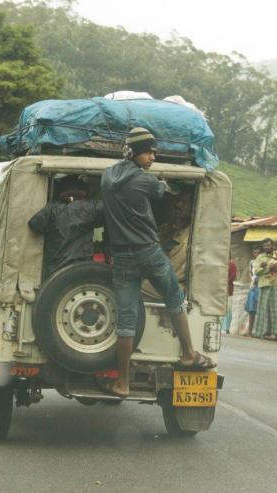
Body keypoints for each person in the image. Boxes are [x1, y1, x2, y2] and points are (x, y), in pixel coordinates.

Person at [100, 127, 215, 398]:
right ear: (134, 153)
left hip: (122, 257)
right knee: (174, 297)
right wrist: (161, 182)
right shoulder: (144, 180)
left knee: (126, 321)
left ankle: (123, 383)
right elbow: (161, 191)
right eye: (148, 152)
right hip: (148, 253)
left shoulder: (107, 177)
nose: (152, 156)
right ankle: (188, 353)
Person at [28, 175, 103, 277]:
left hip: (56, 267)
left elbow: (34, 224)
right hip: (81, 266)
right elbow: (113, 214)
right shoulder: (91, 207)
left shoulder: (52, 208)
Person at [252, 238, 277, 340]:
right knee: (262, 309)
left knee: (275, 309)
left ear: (272, 245)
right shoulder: (260, 257)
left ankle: (275, 334)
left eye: (268, 245)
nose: (267, 247)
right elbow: (257, 271)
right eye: (265, 246)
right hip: (263, 284)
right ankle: (260, 332)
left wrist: (272, 267)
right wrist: (268, 268)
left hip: (275, 284)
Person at [244, 246, 262, 336]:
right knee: (251, 310)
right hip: (253, 287)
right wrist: (253, 281)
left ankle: (258, 332)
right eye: (255, 253)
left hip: (261, 287)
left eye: (258, 252)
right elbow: (250, 273)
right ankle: (249, 331)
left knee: (261, 311)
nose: (257, 254)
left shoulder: (263, 262)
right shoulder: (252, 262)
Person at [221, 257, 237, 334]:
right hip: (220, 290)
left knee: (228, 309)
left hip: (228, 290)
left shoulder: (232, 265)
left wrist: (224, 281)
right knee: (221, 308)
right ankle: (220, 326)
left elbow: (233, 277)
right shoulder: (221, 264)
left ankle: (226, 327)